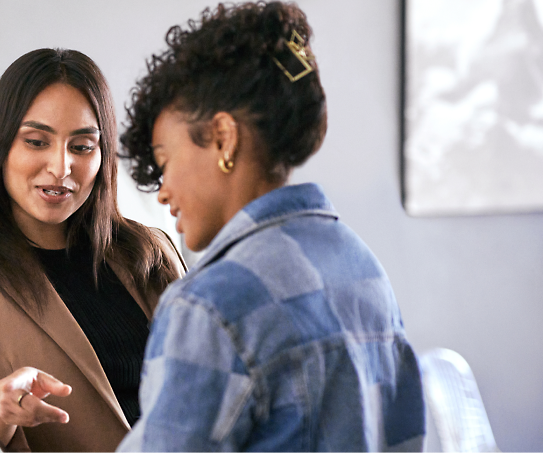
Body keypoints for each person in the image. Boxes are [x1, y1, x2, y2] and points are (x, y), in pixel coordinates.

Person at [116, 2, 426, 452]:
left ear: (223, 138)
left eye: (165, 161)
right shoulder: (362, 269)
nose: (162, 192)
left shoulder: (210, 306)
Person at [0, 48, 185, 453]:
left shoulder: (150, 251)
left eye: (82, 147)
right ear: (0, 144)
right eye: (37, 141)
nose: (61, 167)